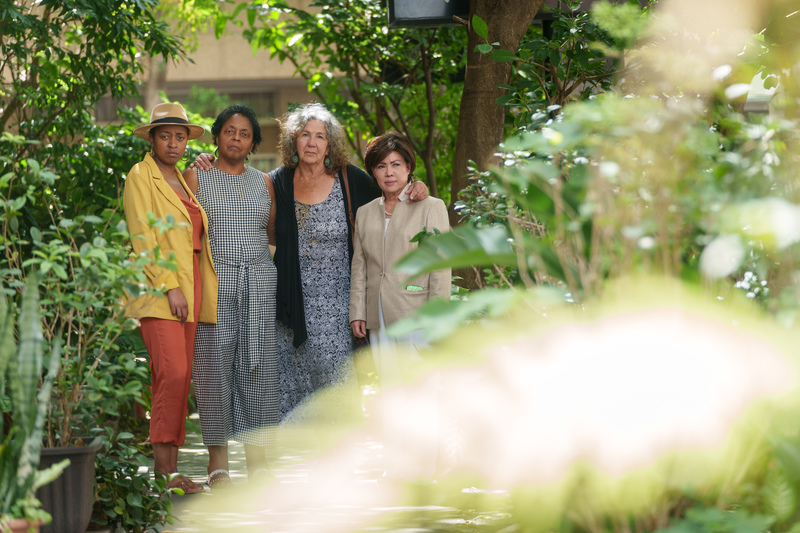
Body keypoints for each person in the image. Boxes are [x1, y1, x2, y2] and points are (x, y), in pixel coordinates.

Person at [193, 103, 428, 422]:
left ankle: (340, 461)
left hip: (339, 310)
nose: (312, 143)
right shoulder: (276, 182)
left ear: (330, 143)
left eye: (320, 136)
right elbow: (256, 218)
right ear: (294, 140)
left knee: (338, 394)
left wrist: (416, 186)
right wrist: (207, 160)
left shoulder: (352, 180)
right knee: (289, 397)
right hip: (289, 306)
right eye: (305, 135)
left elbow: (391, 193)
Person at [182, 104, 278, 488]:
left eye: (244, 133)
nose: (236, 138)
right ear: (217, 136)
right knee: (213, 371)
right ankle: (218, 466)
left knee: (258, 371)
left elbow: (270, 234)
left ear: (253, 141)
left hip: (258, 283)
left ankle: (259, 464)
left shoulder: (264, 182)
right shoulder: (197, 175)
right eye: (229, 131)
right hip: (215, 284)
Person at [124, 102, 217, 494]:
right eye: (166, 136)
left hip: (192, 284)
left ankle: (171, 471)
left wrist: (199, 172)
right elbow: (142, 235)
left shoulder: (183, 178)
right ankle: (162, 474)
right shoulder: (140, 175)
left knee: (181, 380)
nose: (174, 143)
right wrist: (170, 285)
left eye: (180, 136)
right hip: (161, 287)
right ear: (152, 138)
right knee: (172, 374)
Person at [348, 132, 450, 481]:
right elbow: (360, 264)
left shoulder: (430, 206)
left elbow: (440, 264)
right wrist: (357, 311)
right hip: (378, 315)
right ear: (373, 172)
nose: (389, 172)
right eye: (381, 166)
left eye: (396, 164)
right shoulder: (364, 213)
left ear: (408, 168)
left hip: (417, 311)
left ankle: (427, 471)